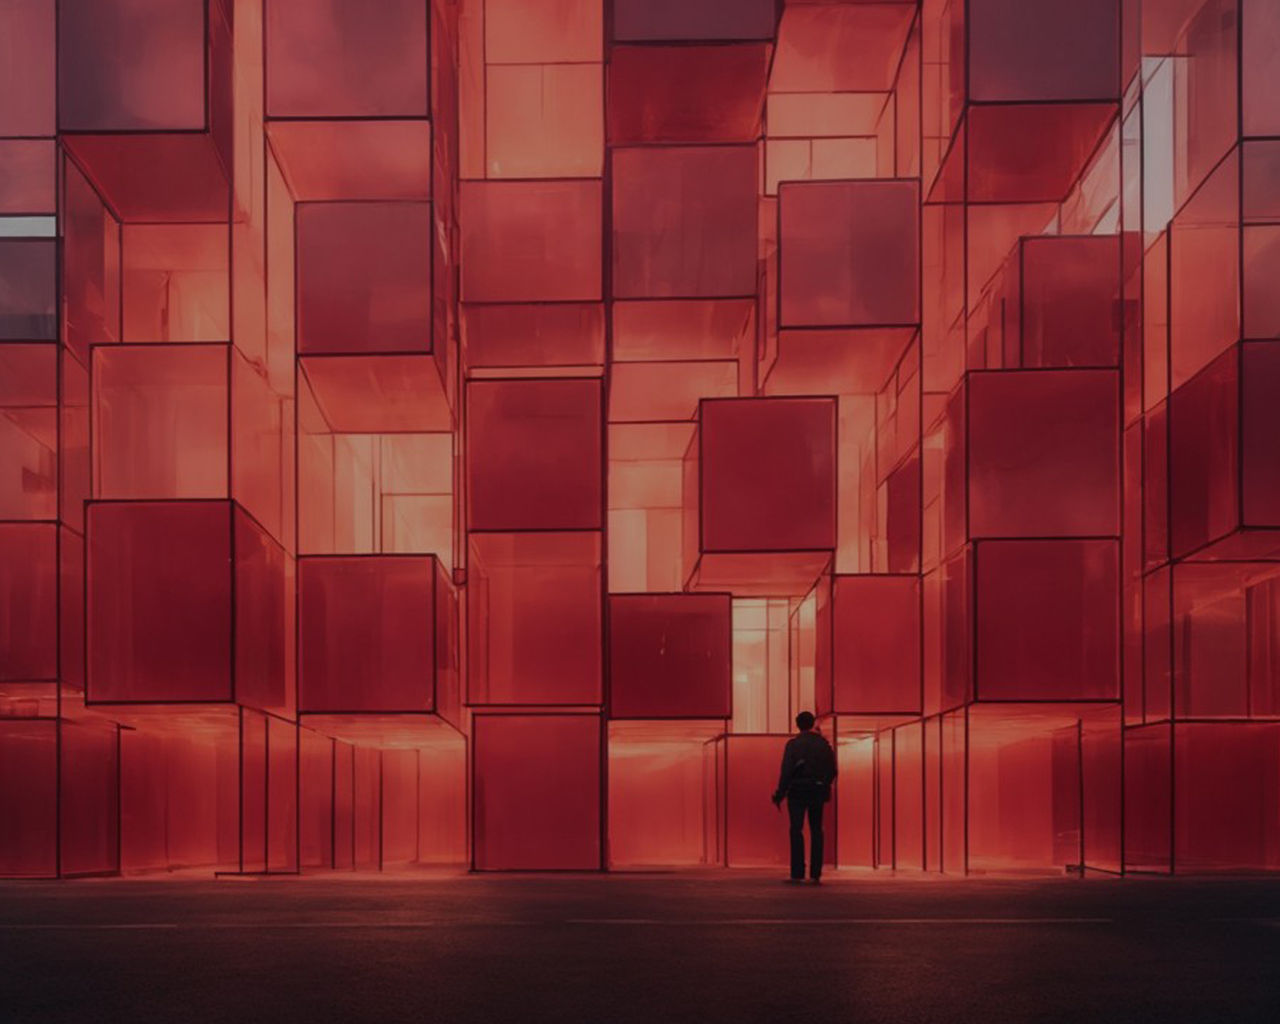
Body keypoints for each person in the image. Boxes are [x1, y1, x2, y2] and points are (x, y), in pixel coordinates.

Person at [771, 711, 837, 884]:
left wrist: (780, 792)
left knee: (796, 830)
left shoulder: (793, 745)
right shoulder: (823, 744)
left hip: (798, 791)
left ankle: (798, 872)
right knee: (817, 830)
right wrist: (824, 784)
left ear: (797, 724)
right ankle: (816, 873)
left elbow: (786, 771)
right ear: (813, 723)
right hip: (817, 791)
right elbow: (833, 769)